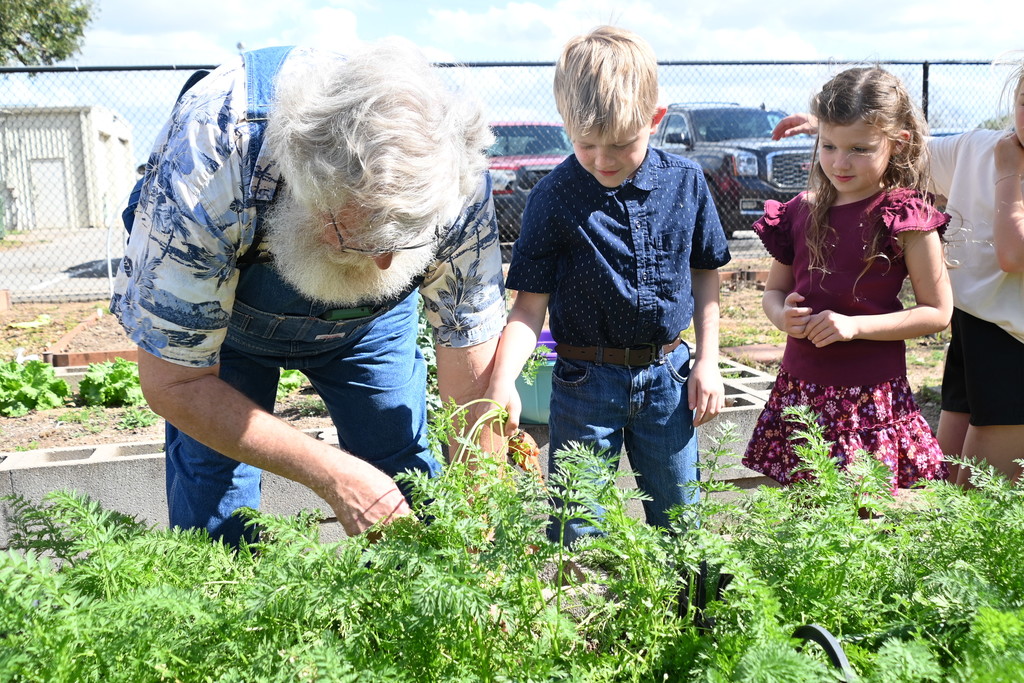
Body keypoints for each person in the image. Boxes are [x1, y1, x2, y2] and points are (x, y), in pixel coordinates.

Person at [111, 41, 507, 546]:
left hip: (371, 329)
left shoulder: (454, 171)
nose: (387, 264)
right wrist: (336, 476)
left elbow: (472, 394)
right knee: (217, 511)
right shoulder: (214, 152)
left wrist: (489, 540)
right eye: (363, 241)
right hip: (224, 331)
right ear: (310, 196)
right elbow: (174, 385)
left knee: (403, 479)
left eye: (406, 242)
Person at [487, 26, 731, 546]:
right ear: (565, 126)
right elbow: (528, 308)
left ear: (655, 119)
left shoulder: (685, 181)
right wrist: (503, 380)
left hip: (669, 376)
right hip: (583, 384)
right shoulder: (552, 197)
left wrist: (708, 360)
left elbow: (705, 273)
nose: (603, 159)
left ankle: (693, 617)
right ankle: (586, 622)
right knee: (579, 526)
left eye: (622, 143)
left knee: (681, 523)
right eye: (585, 143)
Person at [773, 60, 1024, 487]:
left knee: (984, 498)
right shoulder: (976, 146)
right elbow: (888, 140)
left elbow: (1010, 254)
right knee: (949, 489)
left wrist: (1010, 173)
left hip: (1004, 345)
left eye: (854, 149)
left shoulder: (920, 209)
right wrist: (828, 122)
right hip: (972, 327)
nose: (839, 160)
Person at [743, 67, 953, 491]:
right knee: (806, 516)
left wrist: (855, 327)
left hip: (868, 399)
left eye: (859, 148)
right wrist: (782, 317)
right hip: (800, 392)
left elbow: (937, 312)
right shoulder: (798, 211)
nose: (840, 161)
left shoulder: (904, 217)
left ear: (897, 145)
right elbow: (775, 292)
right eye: (829, 145)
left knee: (863, 523)